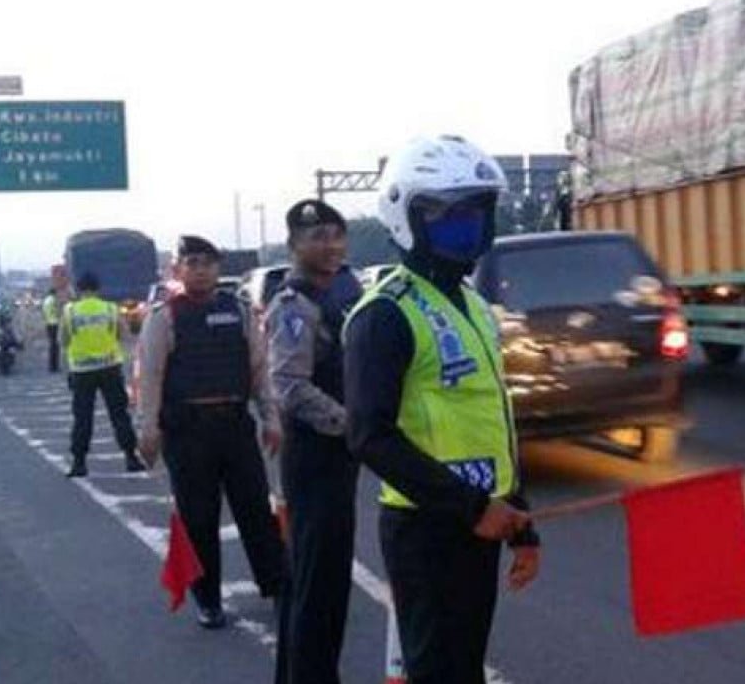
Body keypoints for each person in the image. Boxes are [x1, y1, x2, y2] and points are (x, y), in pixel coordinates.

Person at [341, 135, 540, 684]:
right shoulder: (384, 314)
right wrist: (473, 507)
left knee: (463, 668)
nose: (466, 226)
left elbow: (488, 419)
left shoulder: (473, 304)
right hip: (426, 530)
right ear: (409, 217)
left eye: (476, 212)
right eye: (448, 214)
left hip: (479, 522)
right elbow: (368, 436)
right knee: (436, 671)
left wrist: (519, 522)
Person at [136, 236, 287, 630]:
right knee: (198, 518)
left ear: (217, 268)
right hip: (188, 433)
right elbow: (149, 378)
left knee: (256, 510)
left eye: (207, 262)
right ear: (177, 269)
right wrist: (147, 430)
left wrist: (271, 418)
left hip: (235, 426)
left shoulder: (238, 311)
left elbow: (259, 371)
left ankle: (277, 586)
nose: (200, 269)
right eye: (192, 262)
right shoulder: (164, 317)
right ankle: (208, 600)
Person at [267, 199, 364, 684]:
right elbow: (289, 387)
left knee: (320, 580)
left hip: (340, 454)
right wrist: (349, 422)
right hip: (314, 455)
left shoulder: (348, 290)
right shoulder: (294, 306)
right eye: (316, 237)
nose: (329, 245)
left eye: (335, 235)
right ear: (294, 246)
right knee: (317, 583)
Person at [62, 273, 143, 478]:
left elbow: (63, 340)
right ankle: (131, 457)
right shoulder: (110, 309)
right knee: (119, 414)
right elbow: (124, 335)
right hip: (110, 368)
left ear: (79, 289)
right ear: (98, 289)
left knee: (82, 418)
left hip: (81, 371)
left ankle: (79, 463)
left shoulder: (70, 311)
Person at [42, 289, 62, 373]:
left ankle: (51, 365)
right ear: (54, 293)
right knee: (55, 346)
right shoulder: (54, 300)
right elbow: (58, 311)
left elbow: (44, 313)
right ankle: (54, 366)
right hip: (54, 323)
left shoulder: (45, 301)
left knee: (51, 344)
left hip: (48, 323)